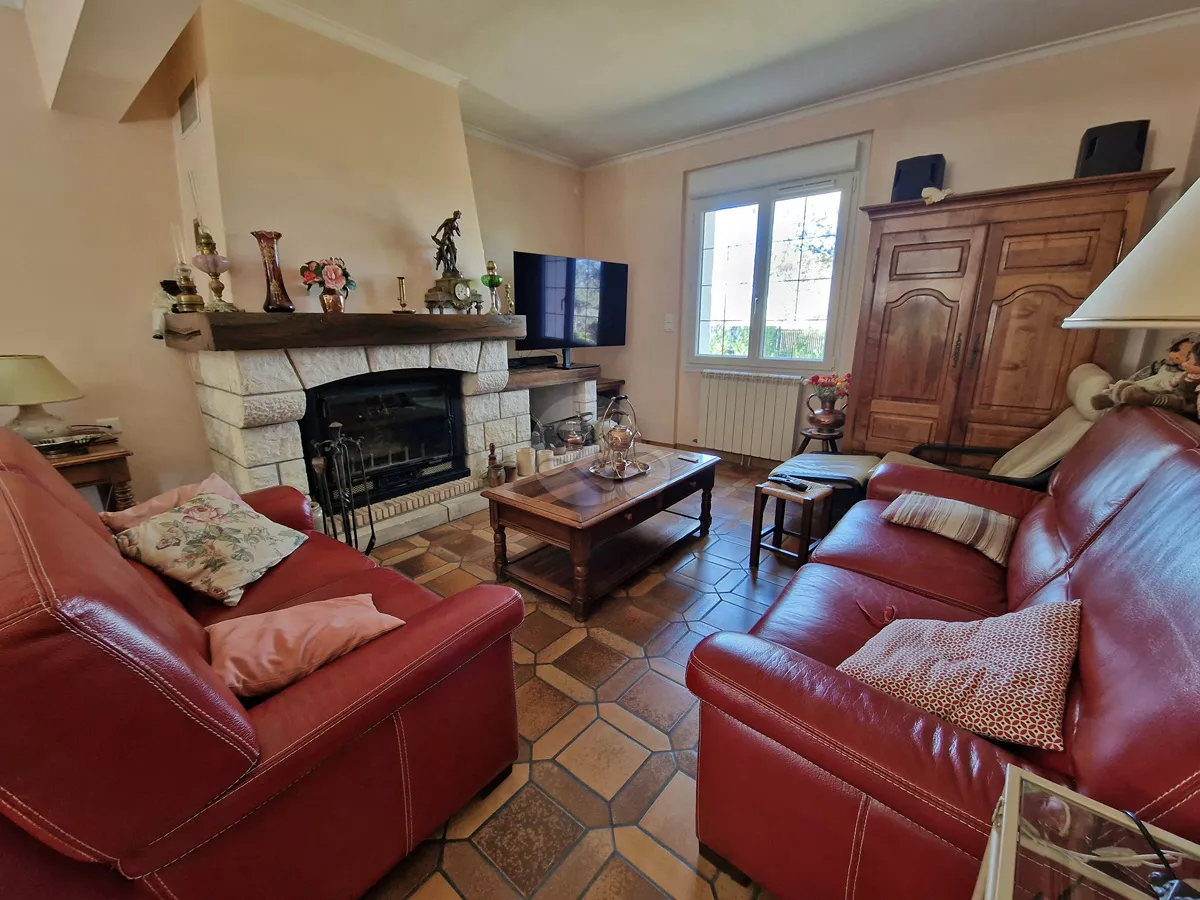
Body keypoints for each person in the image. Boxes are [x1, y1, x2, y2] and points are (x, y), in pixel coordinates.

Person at [432, 210, 462, 277]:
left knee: (454, 252)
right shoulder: (448, 220)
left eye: (458, 215)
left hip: (451, 239)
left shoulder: (456, 224)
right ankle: (448, 267)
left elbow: (459, 234)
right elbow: (440, 227)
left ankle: (453, 267)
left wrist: (456, 230)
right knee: (446, 253)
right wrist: (435, 234)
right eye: (456, 214)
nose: (456, 216)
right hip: (445, 238)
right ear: (454, 214)